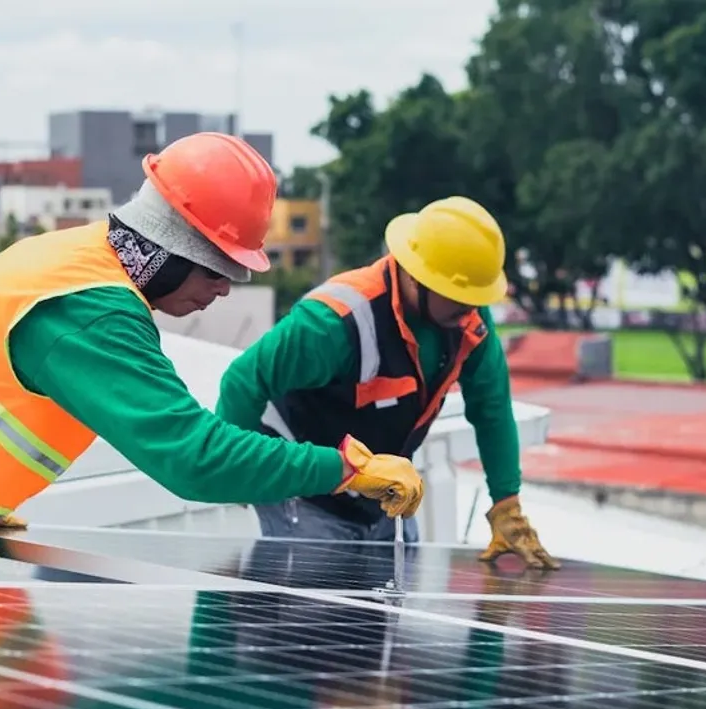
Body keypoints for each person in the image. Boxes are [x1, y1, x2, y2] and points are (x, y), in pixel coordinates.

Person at [0, 132, 424, 581]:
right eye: (221, 268)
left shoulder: (72, 255)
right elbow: (191, 460)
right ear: (177, 246)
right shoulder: (92, 312)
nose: (225, 288)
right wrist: (342, 468)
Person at [215, 196, 558, 569]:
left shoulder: (467, 321)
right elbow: (243, 381)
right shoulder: (334, 321)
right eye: (460, 298)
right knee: (318, 611)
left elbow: (491, 408)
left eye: (476, 299)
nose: (471, 310)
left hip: (384, 494)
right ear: (417, 277)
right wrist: (238, 472)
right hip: (307, 494)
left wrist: (506, 503)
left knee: (383, 613)